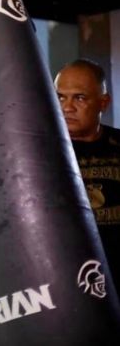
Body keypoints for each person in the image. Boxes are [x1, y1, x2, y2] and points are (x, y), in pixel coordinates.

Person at [55, 58, 120, 287]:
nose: (67, 107)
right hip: (66, 281)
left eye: (79, 98)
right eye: (60, 97)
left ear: (104, 103)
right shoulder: (40, 153)